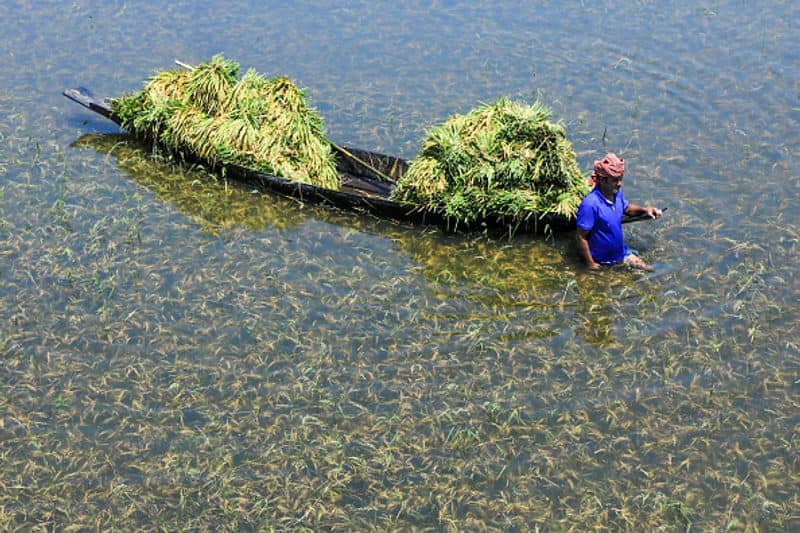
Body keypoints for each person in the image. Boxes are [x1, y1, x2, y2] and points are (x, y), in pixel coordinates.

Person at [576, 153, 661, 271]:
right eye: (615, 180)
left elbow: (626, 209)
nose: (619, 184)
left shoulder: (616, 194)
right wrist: (591, 264)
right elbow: (581, 237)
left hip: (621, 253)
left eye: (620, 179)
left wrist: (646, 210)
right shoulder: (590, 204)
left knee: (650, 270)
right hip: (602, 260)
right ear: (603, 180)